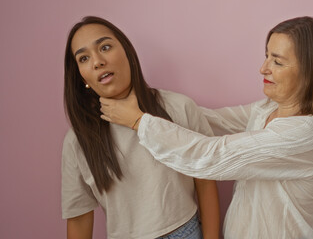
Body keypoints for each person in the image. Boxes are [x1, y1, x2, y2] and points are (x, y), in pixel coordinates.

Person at [100, 16, 313, 238]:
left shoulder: (306, 134)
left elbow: (213, 156)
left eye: (277, 62)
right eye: (266, 55)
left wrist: (139, 121)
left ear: (310, 72)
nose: (263, 68)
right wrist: (150, 102)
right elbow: (210, 118)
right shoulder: (267, 109)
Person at [62, 16, 220, 239]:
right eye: (84, 58)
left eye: (105, 47)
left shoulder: (178, 107)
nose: (97, 61)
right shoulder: (78, 140)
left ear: (127, 51)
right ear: (82, 77)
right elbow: (78, 218)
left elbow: (205, 181)